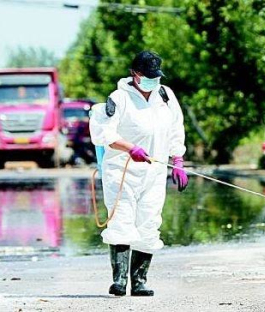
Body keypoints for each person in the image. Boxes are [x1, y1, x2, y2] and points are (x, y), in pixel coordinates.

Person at [89, 51, 188, 297]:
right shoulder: (119, 98)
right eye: (149, 76)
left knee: (149, 221)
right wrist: (130, 148)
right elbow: (103, 133)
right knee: (122, 220)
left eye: (157, 76)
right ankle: (120, 281)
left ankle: (140, 280)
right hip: (122, 172)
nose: (154, 81)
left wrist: (178, 159)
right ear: (135, 74)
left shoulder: (165, 96)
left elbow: (176, 128)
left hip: (154, 173)